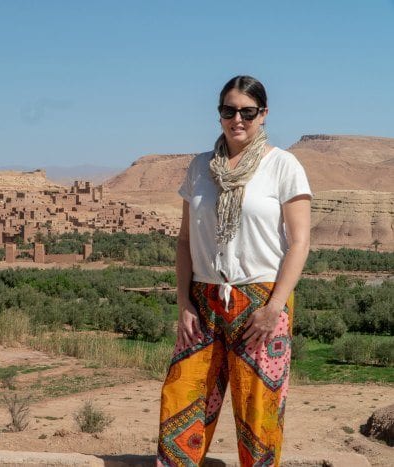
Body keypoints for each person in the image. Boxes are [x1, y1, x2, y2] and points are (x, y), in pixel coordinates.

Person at [157, 75, 312, 466]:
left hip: (262, 301)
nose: (237, 119)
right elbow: (184, 242)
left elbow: (299, 243)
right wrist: (184, 303)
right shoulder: (199, 168)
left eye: (247, 111)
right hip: (203, 300)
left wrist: (274, 307)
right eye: (229, 110)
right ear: (219, 114)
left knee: (258, 416)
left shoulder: (283, 166)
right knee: (181, 401)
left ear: (263, 115)